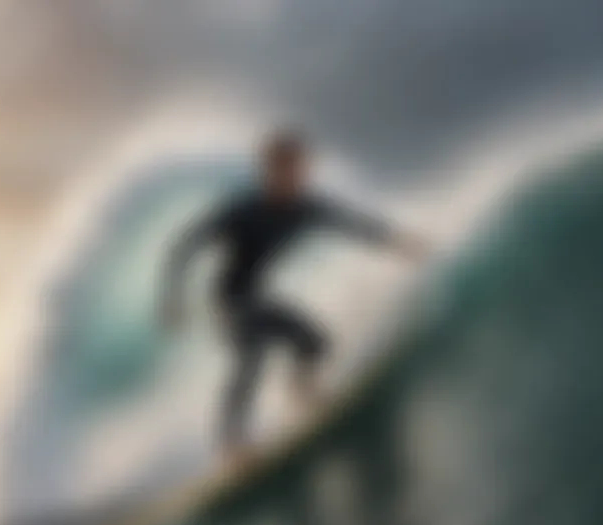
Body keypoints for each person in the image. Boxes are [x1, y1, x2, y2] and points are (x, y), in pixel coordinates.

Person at [161, 130, 427, 465]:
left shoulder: (306, 207)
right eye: (288, 169)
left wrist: (396, 241)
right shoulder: (243, 211)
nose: (297, 176)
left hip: (256, 297)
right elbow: (186, 244)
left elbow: (351, 224)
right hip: (229, 302)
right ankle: (232, 443)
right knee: (252, 356)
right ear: (270, 173)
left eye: (301, 169)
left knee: (316, 342)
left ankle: (301, 391)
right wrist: (172, 297)